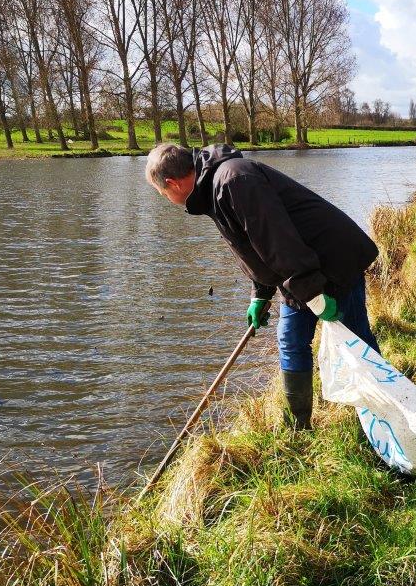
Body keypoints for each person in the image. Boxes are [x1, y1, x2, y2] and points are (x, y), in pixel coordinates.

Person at [145, 142, 380, 429]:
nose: (167, 198)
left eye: (163, 193)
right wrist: (260, 293)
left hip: (333, 261)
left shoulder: (234, 180)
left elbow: (278, 242)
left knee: (357, 341)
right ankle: (299, 426)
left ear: (172, 183)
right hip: (300, 272)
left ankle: (384, 415)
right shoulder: (212, 190)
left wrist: (315, 297)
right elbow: (253, 248)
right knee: (291, 342)